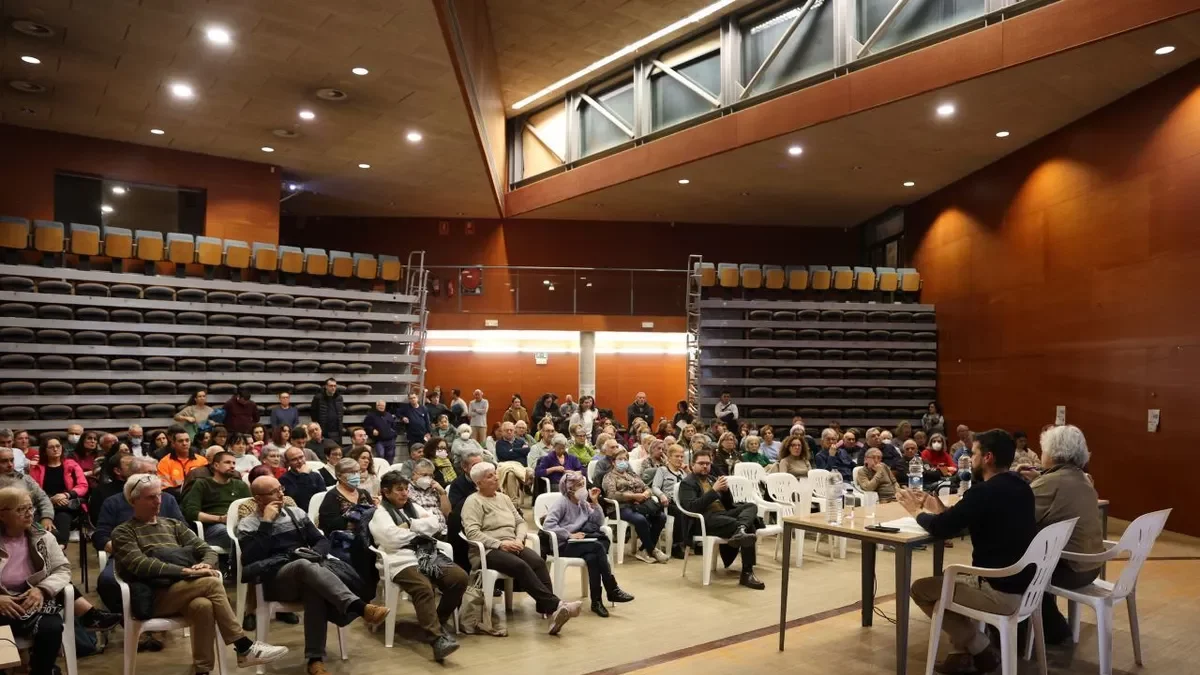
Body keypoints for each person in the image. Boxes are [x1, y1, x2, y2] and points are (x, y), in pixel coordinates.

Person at [113, 475, 289, 672]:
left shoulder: (173, 524)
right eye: (150, 497)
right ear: (133, 500)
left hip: (184, 590)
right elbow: (140, 564)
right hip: (153, 596)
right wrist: (185, 571)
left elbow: (207, 550)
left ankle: (202, 670)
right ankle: (243, 646)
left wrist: (204, 564)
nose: (158, 501)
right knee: (211, 583)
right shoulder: (124, 532)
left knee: (203, 605)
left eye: (159, 495)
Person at [903, 429, 1036, 675]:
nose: (969, 458)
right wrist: (940, 507)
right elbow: (963, 519)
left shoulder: (983, 492)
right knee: (949, 577)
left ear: (987, 458)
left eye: (973, 453)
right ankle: (962, 656)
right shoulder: (1022, 487)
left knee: (921, 589)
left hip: (999, 590)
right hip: (1027, 585)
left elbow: (941, 529)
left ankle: (980, 647)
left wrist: (915, 511)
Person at [238, 475, 389, 675]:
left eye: (280, 488)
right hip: (276, 580)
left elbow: (321, 540)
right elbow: (250, 558)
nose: (281, 493)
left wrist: (315, 554)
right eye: (274, 492)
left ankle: (314, 660)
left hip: (309, 574)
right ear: (258, 499)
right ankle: (359, 607)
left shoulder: (296, 513)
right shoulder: (248, 524)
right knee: (302, 565)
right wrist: (266, 522)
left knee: (313, 587)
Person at [0, 485, 120, 675]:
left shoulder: (43, 537)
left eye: (30, 508)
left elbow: (62, 569)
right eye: (20, 509)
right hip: (4, 603)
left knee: (52, 626)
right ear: (2, 515)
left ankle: (42, 671)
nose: (29, 514)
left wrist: (42, 589)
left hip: (32, 599)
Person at [460, 462, 582, 633]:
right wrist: (500, 544)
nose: (496, 477)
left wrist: (518, 539)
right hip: (488, 550)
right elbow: (472, 533)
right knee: (520, 566)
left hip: (512, 544)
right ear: (478, 482)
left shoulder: (503, 498)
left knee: (538, 562)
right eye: (490, 476)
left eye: (495, 474)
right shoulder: (473, 502)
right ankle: (556, 606)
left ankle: (550, 611)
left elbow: (520, 522)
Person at [369, 471, 465, 661]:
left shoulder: (413, 507)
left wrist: (410, 525)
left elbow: (436, 523)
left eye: (406, 489)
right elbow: (391, 539)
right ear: (386, 492)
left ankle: (436, 620)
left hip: (426, 553)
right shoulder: (381, 514)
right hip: (399, 559)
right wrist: (420, 532)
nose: (404, 493)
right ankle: (437, 639)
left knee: (459, 578)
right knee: (423, 587)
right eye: (399, 490)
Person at [1030, 425, 1104, 644]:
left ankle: (1051, 630)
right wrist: (1038, 478)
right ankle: (1049, 628)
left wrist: (1034, 482)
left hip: (1070, 570)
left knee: (1015, 568)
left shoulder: (1051, 483)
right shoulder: (1083, 478)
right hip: (1091, 566)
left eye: (1043, 450)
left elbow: (1016, 511)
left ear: (1053, 453)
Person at [543, 471, 635, 616]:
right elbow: (548, 525)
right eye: (579, 485)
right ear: (569, 488)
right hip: (563, 545)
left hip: (582, 543)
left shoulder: (583, 503)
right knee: (598, 547)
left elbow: (598, 522)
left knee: (593, 558)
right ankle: (612, 589)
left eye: (583, 484)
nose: (583, 488)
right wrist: (569, 534)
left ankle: (596, 602)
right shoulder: (561, 503)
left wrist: (595, 502)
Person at [678, 450, 764, 589]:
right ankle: (747, 573)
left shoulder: (712, 479)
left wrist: (726, 491)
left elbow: (729, 505)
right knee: (748, 526)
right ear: (692, 465)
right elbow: (692, 507)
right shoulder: (687, 483)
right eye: (701, 463)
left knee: (751, 506)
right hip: (704, 521)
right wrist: (714, 490)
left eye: (707, 463)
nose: (705, 466)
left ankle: (740, 530)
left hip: (723, 515)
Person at [602, 448, 669, 564]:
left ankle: (644, 549)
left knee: (661, 517)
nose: (623, 461)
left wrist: (644, 494)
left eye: (625, 459)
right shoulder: (609, 477)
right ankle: (652, 550)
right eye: (619, 459)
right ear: (613, 462)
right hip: (620, 508)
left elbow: (647, 488)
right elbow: (611, 495)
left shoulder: (632, 475)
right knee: (640, 519)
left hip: (639, 505)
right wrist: (634, 496)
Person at [181, 450, 251, 551]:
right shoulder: (202, 484)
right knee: (232, 534)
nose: (232, 466)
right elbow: (191, 512)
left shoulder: (241, 485)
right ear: (216, 465)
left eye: (234, 463)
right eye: (227, 462)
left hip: (239, 524)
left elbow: (250, 508)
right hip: (213, 526)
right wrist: (220, 519)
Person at [26, 438, 87, 546]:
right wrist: (51, 500)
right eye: (51, 447)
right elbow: (33, 490)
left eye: (58, 446)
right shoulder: (36, 468)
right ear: (44, 450)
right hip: (43, 506)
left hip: (66, 506)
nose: (55, 449)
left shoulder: (71, 464)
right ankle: (53, 552)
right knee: (35, 527)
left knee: (63, 521)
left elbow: (83, 485)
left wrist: (65, 495)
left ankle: (59, 549)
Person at [446, 449, 483, 570]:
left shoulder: (488, 480)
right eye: (474, 465)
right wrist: (477, 493)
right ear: (465, 468)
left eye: (481, 465)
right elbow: (456, 507)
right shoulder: (457, 484)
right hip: (467, 522)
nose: (479, 469)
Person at [320, 458, 375, 535]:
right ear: (339, 476)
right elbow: (329, 525)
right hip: (344, 539)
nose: (356, 475)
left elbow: (375, 514)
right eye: (351, 473)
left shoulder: (364, 493)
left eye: (357, 471)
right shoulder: (332, 497)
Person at [406, 459, 450, 537]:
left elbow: (447, 513)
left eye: (431, 475)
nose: (428, 478)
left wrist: (442, 493)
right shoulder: (407, 490)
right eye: (424, 475)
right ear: (413, 475)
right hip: (424, 534)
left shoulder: (435, 488)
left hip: (443, 531)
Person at [158, 428, 208, 498]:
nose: (184, 443)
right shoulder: (164, 462)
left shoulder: (202, 461)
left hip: (200, 497)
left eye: (187, 440)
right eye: (180, 441)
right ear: (173, 444)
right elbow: (164, 487)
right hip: (176, 499)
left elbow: (208, 484)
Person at [280, 447, 328, 511]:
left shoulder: (316, 476)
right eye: (294, 459)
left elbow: (323, 497)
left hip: (318, 510)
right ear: (288, 463)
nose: (299, 461)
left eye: (301, 457)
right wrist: (303, 475)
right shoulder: (284, 479)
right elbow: (301, 500)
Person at [311, 378, 345, 445]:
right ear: (326, 386)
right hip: (324, 431)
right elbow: (313, 414)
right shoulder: (318, 398)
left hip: (337, 431)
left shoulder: (339, 398)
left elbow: (341, 414)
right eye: (331, 386)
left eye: (335, 386)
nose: (333, 388)